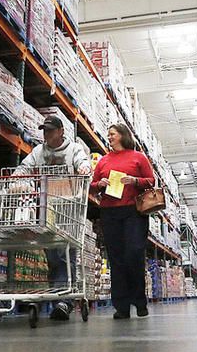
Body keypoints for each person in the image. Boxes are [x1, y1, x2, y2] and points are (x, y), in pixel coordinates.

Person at [14, 114, 91, 321]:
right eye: (44, 130)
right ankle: (60, 297)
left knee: (65, 252)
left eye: (50, 130)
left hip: (68, 207)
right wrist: (17, 179)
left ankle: (64, 301)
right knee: (52, 252)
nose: (46, 134)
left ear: (61, 131)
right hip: (47, 206)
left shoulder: (74, 149)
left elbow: (83, 161)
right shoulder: (39, 151)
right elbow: (25, 166)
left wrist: (84, 168)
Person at [90, 123, 156, 319]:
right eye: (108, 135)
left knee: (134, 253)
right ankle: (122, 306)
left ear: (123, 135)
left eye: (112, 134)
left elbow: (151, 181)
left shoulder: (138, 157)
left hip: (133, 212)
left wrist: (134, 181)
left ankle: (140, 301)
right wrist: (100, 184)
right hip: (110, 213)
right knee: (116, 258)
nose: (109, 137)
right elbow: (92, 186)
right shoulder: (103, 161)